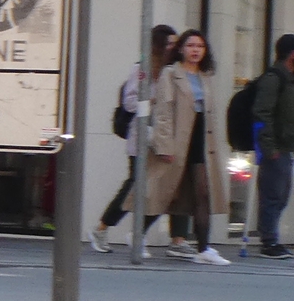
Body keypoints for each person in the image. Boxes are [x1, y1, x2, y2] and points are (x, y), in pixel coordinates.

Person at [143, 27, 230, 264]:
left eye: (200, 46)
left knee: (202, 193)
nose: (195, 50)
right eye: (191, 46)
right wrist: (164, 144)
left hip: (200, 139)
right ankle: (138, 236)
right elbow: (163, 112)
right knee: (165, 192)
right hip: (177, 140)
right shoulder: (171, 73)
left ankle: (204, 248)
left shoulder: (204, 76)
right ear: (181, 49)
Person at [92, 23, 174, 252]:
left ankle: (135, 233)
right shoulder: (142, 69)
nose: (173, 48)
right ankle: (103, 228)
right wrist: (152, 103)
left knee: (162, 189)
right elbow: (129, 102)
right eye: (169, 43)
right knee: (135, 187)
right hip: (142, 137)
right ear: (159, 45)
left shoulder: (172, 71)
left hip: (163, 137)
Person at [250, 31, 294, 258]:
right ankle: (268, 241)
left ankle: (271, 238)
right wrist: (269, 148)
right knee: (273, 195)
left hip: (285, 147)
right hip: (275, 148)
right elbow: (262, 113)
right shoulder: (274, 79)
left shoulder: (288, 79)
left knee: (282, 194)